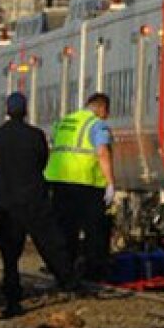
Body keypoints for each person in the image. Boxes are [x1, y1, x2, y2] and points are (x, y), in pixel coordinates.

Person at [0, 92, 78, 317]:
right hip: (34, 197)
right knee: (50, 241)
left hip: (7, 201)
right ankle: (67, 279)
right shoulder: (36, 135)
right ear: (25, 111)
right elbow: (42, 160)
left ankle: (13, 297)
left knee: (10, 252)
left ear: (7, 110)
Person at [44, 92, 116, 282]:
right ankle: (93, 272)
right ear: (101, 108)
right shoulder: (96, 125)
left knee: (65, 229)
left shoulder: (63, 122)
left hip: (59, 182)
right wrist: (110, 183)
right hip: (87, 183)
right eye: (107, 112)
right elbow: (102, 153)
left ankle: (64, 271)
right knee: (94, 230)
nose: (107, 116)